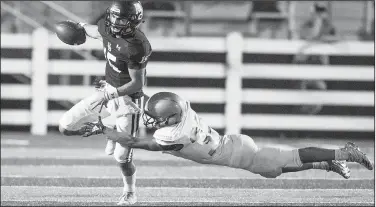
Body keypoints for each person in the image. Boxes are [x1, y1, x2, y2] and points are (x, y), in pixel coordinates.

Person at [80, 92, 374, 183]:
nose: (153, 121)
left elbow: (136, 143)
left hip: (239, 153)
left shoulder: (174, 134)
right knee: (272, 172)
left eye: (158, 118)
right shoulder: (181, 109)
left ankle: (344, 153)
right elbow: (160, 105)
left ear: (171, 118)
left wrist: (103, 129)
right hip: (233, 145)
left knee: (292, 157)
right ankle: (328, 165)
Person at [58, 1, 152, 205]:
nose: (116, 21)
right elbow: (98, 31)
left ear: (134, 21)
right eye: (114, 16)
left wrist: (110, 95)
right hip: (106, 89)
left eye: (122, 18)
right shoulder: (107, 26)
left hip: (128, 101)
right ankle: (106, 128)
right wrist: (80, 27)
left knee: (122, 157)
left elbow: (137, 83)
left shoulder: (136, 45)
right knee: (65, 126)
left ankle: (130, 192)